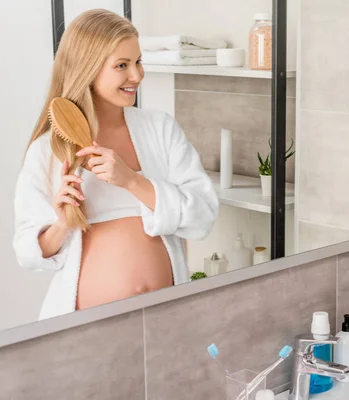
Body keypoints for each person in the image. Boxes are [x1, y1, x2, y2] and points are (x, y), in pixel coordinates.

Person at [13, 9, 218, 320]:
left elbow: (202, 216)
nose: (136, 76)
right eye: (122, 65)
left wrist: (132, 181)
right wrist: (63, 223)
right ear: (87, 69)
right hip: (89, 330)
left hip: (166, 318)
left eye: (138, 62)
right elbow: (28, 253)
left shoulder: (160, 129)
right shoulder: (49, 151)